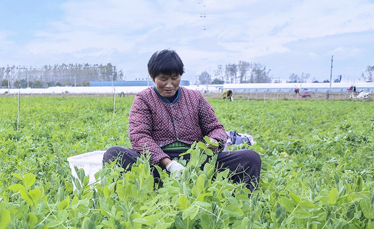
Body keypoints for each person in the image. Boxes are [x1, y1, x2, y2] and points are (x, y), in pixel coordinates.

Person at [103, 50, 261, 192]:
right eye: (163, 79)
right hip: (157, 164)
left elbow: (216, 128)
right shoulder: (144, 99)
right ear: (153, 77)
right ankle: (148, 189)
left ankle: (239, 199)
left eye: (175, 78)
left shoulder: (195, 98)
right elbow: (139, 136)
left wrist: (214, 140)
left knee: (250, 158)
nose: (170, 84)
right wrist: (168, 163)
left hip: (197, 160)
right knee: (114, 154)